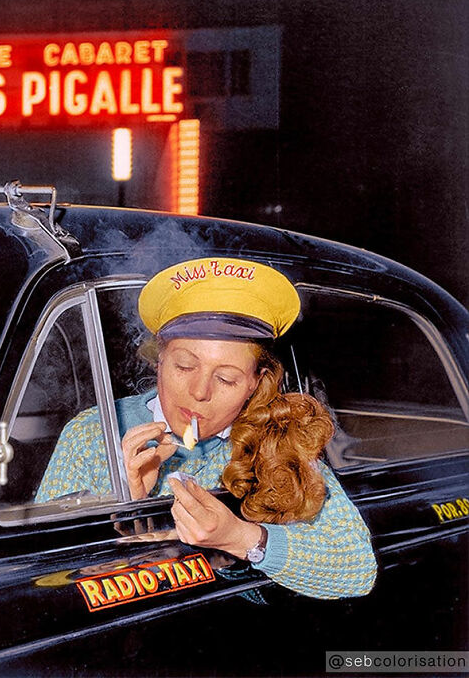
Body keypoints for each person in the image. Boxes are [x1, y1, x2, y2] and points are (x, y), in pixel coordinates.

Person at [35, 256, 377, 601]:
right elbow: (39, 576)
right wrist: (125, 504)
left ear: (254, 385)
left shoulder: (276, 438)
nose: (200, 392)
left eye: (226, 378)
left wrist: (241, 538)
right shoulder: (93, 433)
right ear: (159, 361)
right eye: (184, 366)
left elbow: (356, 570)